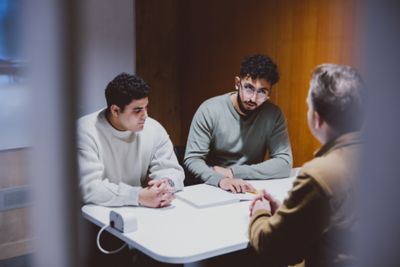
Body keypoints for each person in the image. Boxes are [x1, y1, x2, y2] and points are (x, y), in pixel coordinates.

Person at [249, 64, 365, 267]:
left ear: (316, 118)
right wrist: (288, 214)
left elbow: (273, 248)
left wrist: (260, 212)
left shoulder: (319, 174)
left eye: (308, 106)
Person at [184, 54, 292, 193]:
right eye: (248, 88)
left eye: (262, 92)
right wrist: (221, 180)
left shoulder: (273, 114)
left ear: (269, 92)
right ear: (237, 83)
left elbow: (284, 164)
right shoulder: (210, 110)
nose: (253, 98)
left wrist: (234, 172)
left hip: (250, 186)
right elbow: (193, 159)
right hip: (213, 185)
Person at [77, 73, 184, 208]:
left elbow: (173, 171)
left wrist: (166, 185)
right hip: (96, 213)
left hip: (141, 209)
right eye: (138, 110)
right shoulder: (85, 131)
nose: (145, 116)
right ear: (115, 110)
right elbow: (89, 188)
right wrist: (137, 195)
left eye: (146, 107)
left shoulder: (153, 128)